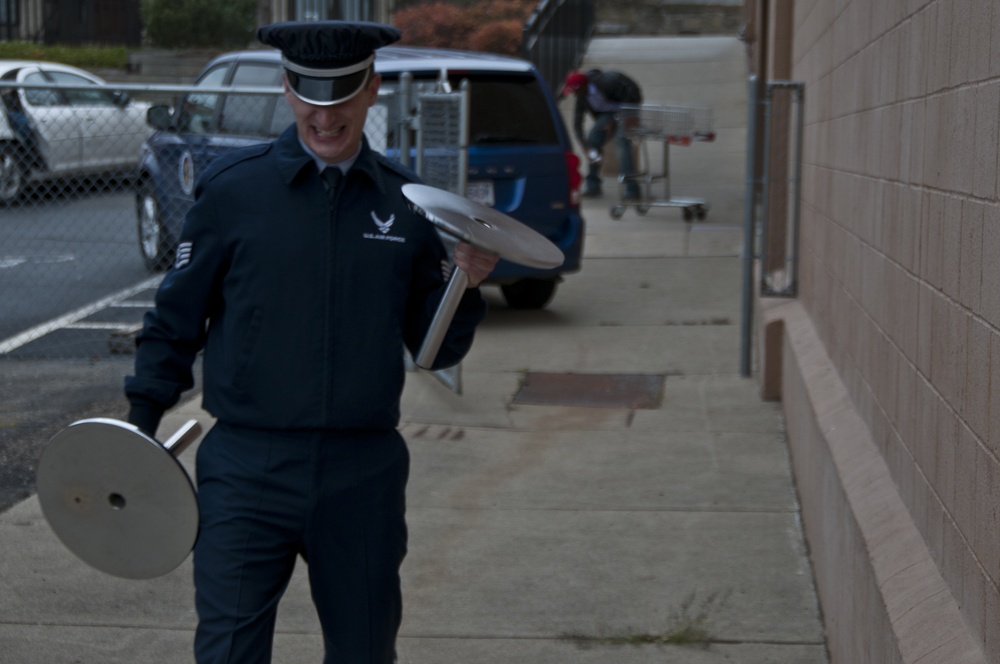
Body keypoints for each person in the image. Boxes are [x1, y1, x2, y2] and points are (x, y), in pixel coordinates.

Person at [124, 20, 499, 664]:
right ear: (289, 91)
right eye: (311, 98)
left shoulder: (408, 205)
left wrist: (467, 285)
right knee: (228, 653)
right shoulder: (233, 192)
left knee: (364, 651)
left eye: (343, 98)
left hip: (362, 473)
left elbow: (436, 349)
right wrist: (137, 430)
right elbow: (174, 321)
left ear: (372, 90)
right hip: (246, 467)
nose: (326, 118)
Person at [559, 68, 643, 199]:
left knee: (621, 143)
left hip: (627, 109)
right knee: (593, 140)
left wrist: (617, 122)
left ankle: (632, 189)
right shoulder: (581, 97)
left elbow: (633, 93)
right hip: (608, 114)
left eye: (576, 91)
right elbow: (577, 125)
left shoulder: (607, 82)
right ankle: (593, 185)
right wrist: (586, 148)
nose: (575, 95)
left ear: (583, 87)